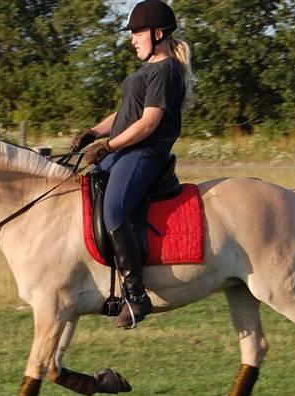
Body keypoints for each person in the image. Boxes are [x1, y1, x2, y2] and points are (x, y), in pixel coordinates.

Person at [71, 0, 193, 328]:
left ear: (158, 33)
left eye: (137, 32)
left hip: (144, 154)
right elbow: (126, 114)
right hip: (124, 151)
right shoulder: (145, 71)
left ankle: (137, 295)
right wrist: (93, 133)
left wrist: (107, 145)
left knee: (114, 211)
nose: (132, 39)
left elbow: (149, 123)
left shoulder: (167, 71)